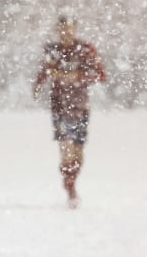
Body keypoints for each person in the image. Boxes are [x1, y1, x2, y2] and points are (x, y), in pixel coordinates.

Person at [33, 16, 106, 208]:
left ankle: (71, 179)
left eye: (69, 29)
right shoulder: (53, 51)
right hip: (60, 107)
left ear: (75, 29)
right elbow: (44, 71)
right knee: (65, 147)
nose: (66, 33)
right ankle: (71, 189)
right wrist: (38, 84)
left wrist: (75, 76)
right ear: (58, 30)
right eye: (62, 29)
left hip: (80, 108)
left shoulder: (85, 50)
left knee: (77, 152)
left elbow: (100, 75)